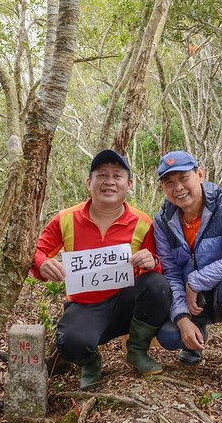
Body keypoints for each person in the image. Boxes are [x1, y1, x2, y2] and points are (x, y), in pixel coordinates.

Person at [31, 150, 171, 390]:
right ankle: (91, 362)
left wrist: (153, 262)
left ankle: (137, 350)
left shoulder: (142, 222)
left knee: (158, 286)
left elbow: (160, 261)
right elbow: (35, 251)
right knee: (70, 342)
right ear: (89, 182)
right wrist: (42, 263)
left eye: (117, 176)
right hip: (86, 306)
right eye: (102, 175)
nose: (109, 181)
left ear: (129, 185)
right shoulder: (66, 219)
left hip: (127, 302)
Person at [153, 151, 222, 396]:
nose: (178, 187)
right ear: (163, 188)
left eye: (184, 178)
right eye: (170, 182)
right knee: (169, 336)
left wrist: (196, 281)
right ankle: (195, 337)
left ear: (200, 174)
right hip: (191, 303)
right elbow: (170, 272)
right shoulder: (163, 221)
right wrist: (181, 317)